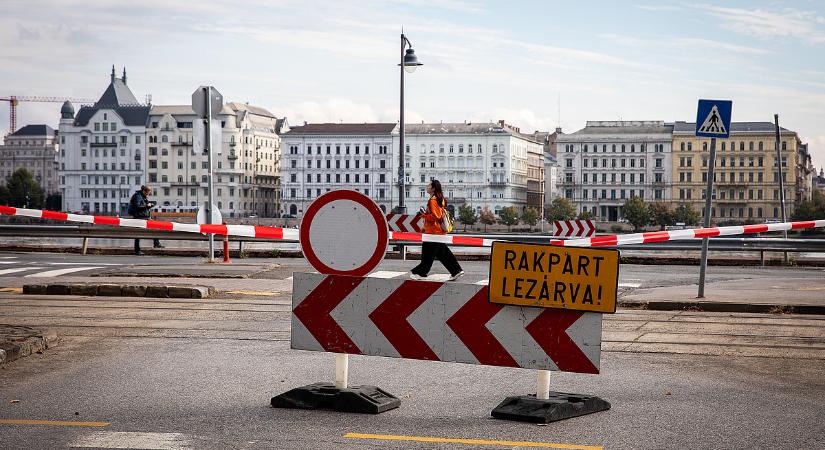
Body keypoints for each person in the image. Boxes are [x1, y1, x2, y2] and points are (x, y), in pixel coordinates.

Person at [409, 180, 464, 281]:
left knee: (427, 254)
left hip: (433, 233)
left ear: (433, 188)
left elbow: (436, 216)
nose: (427, 186)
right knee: (442, 253)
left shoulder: (433, 200)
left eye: (429, 185)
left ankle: (421, 272)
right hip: (438, 231)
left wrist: (423, 215)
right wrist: (425, 225)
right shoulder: (440, 199)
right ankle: (456, 270)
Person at [129, 185, 162, 255]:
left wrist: (150, 205)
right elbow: (137, 207)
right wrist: (147, 206)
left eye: (149, 193)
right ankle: (137, 250)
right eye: (147, 193)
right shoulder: (137, 196)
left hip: (144, 217)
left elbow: (144, 206)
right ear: (144, 191)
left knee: (155, 226)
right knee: (138, 234)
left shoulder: (143, 196)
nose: (148, 194)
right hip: (139, 217)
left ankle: (156, 243)